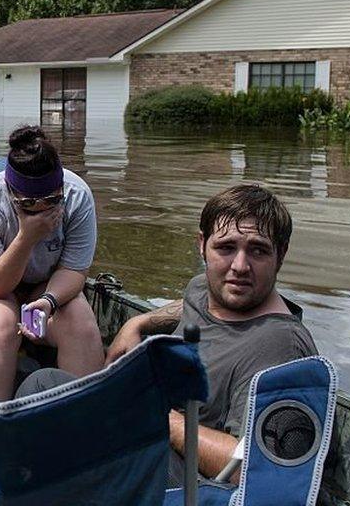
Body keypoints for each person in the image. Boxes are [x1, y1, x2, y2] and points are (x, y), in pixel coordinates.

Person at [104, 183, 318, 482]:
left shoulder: (279, 346)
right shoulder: (207, 287)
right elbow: (196, 305)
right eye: (226, 248)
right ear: (202, 245)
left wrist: (158, 413)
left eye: (258, 251)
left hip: (189, 482)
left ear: (280, 255)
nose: (240, 266)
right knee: (44, 382)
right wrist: (138, 323)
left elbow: (252, 469)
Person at [0, 125, 105, 401]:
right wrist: (26, 237)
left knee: (79, 321)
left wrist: (48, 302)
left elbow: (74, 270)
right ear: (12, 193)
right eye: (30, 203)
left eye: (52, 200)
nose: (43, 209)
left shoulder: (78, 196)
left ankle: (87, 421)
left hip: (45, 283)